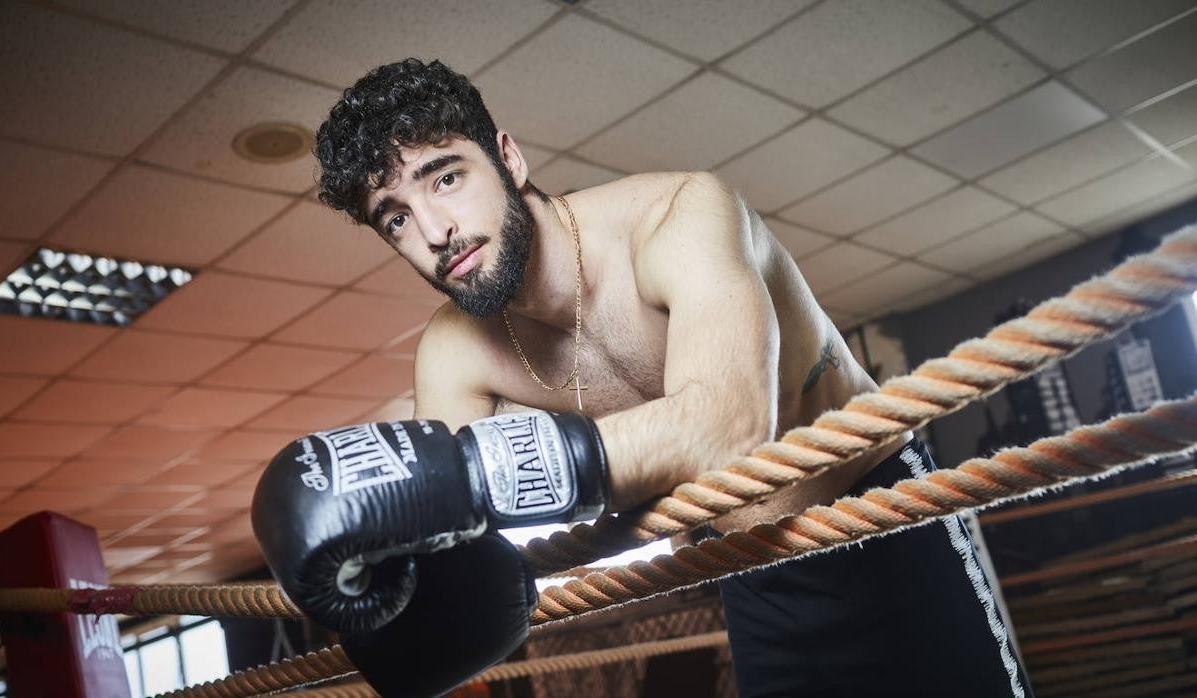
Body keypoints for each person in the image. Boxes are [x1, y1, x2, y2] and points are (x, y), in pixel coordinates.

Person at [286, 58, 1031, 697]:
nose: (432, 233)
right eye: (394, 219)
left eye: (445, 178)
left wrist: (465, 478)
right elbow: (464, 555)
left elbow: (732, 428)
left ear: (507, 159)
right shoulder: (454, 350)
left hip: (886, 520)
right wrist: (398, 592)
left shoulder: (680, 215)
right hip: (754, 576)